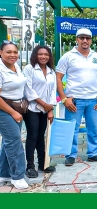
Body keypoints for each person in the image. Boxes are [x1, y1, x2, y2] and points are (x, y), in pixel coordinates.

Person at [56, 28, 97, 166]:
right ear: (77, 39)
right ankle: (70, 155)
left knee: (93, 129)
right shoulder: (67, 56)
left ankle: (93, 153)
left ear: (91, 40)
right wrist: (64, 98)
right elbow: (58, 78)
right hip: (75, 100)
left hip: (93, 100)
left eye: (88, 38)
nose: (85, 40)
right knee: (72, 129)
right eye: (82, 38)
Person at [23, 45, 57, 178]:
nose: (43, 57)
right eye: (40, 54)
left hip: (46, 109)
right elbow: (28, 89)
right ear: (35, 55)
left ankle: (43, 163)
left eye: (46, 54)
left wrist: (50, 109)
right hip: (32, 108)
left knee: (41, 136)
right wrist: (44, 104)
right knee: (32, 136)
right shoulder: (29, 69)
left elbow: (52, 91)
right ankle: (30, 166)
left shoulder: (51, 71)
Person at [0, 41, 29, 189]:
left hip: (16, 107)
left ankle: (4, 173)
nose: (12, 55)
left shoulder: (16, 66)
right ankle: (17, 176)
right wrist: (12, 112)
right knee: (14, 141)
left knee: (9, 141)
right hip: (4, 109)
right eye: (8, 52)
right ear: (1, 53)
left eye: (15, 52)